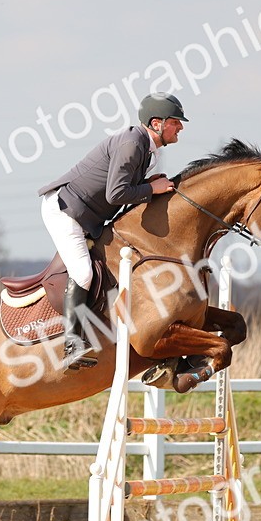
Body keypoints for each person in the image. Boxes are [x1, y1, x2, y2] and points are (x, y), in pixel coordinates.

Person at [37, 92, 188, 369]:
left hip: (88, 215)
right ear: (156, 123)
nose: (180, 127)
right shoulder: (132, 144)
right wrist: (151, 188)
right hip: (66, 211)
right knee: (83, 272)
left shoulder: (147, 149)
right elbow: (116, 193)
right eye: (175, 122)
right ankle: (71, 345)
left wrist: (147, 183)